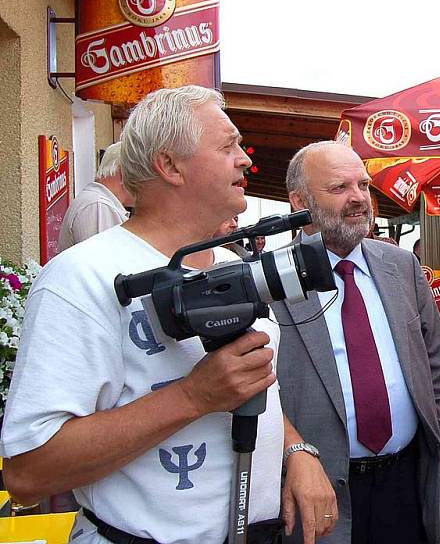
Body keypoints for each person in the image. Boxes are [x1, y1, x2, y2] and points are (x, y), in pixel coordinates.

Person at [1, 86, 334, 544]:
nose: (245, 161)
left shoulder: (233, 269)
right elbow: (28, 469)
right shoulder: (79, 279)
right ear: (170, 165)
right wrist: (193, 397)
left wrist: (295, 450)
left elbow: (246, 385)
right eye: (228, 145)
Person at [273, 140, 440, 544]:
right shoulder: (270, 282)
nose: (359, 198)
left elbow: (438, 366)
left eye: (364, 185)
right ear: (298, 201)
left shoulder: (402, 265)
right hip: (320, 499)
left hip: (406, 484)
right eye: (340, 188)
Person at [58, 141, 136, 251]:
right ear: (125, 172)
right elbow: (106, 264)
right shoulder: (98, 206)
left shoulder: (98, 203)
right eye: (141, 173)